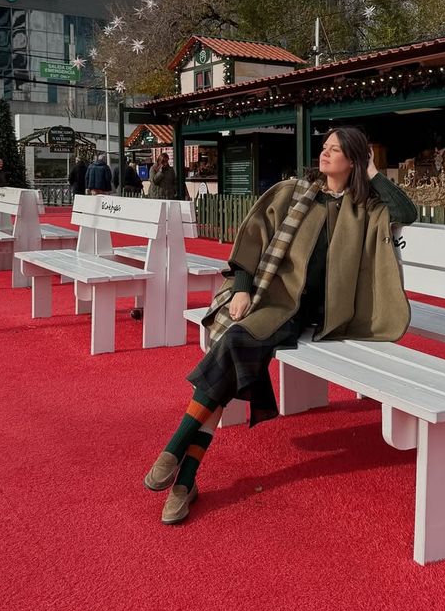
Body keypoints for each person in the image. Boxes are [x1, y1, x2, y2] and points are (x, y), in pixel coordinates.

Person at [143, 126, 418, 525]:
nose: (324, 155)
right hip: (276, 300)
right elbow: (253, 238)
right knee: (236, 343)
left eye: (335, 150)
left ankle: (179, 461)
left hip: (320, 317)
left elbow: (406, 213)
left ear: (355, 160)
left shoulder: (366, 207)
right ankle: (182, 473)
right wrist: (241, 289)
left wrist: (374, 172)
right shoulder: (295, 193)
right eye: (324, 148)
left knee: (231, 355)